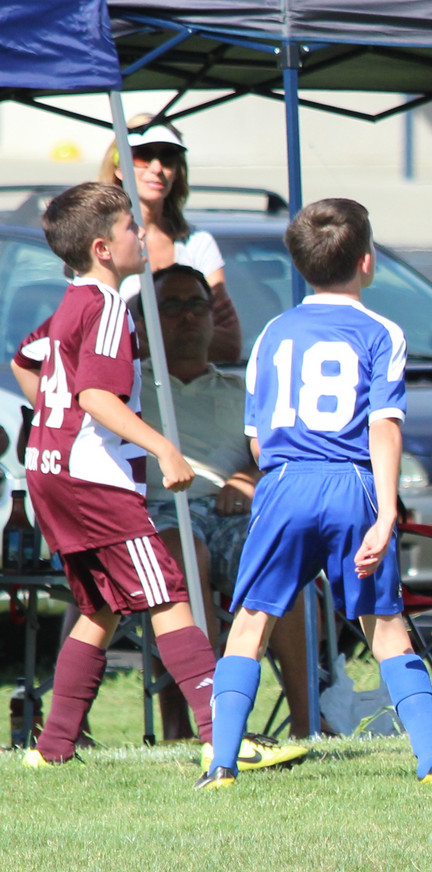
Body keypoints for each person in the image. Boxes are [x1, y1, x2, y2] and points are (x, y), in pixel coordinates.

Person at [197, 197, 432, 789]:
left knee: (251, 621)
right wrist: (386, 512)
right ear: (367, 261)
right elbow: (384, 426)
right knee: (384, 624)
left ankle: (222, 764)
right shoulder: (382, 332)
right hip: (351, 483)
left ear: (299, 263)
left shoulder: (272, 333)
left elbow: (257, 439)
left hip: (284, 483)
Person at [9, 182, 217, 767]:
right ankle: (222, 736)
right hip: (91, 478)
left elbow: (26, 360)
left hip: (50, 472)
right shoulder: (106, 307)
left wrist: (56, 423)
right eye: (130, 227)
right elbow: (97, 396)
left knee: (101, 606)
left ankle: (52, 748)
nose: (141, 234)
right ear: (102, 248)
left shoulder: (72, 303)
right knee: (168, 591)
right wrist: (164, 448)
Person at [134, 264, 312, 743]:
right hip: (161, 513)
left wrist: (248, 479)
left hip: (230, 513)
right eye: (172, 306)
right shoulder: (131, 390)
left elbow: (282, 455)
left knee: (281, 554)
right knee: (184, 556)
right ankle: (202, 723)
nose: (188, 316)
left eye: (197, 304)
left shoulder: (242, 391)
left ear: (214, 318)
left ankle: (307, 721)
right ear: (145, 321)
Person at [99, 114, 242, 362]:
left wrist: (146, 342)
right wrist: (188, 341)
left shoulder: (198, 242)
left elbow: (229, 345)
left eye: (168, 156)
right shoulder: (100, 243)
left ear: (178, 171)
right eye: (143, 155)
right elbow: (100, 342)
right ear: (119, 167)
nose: (157, 168)